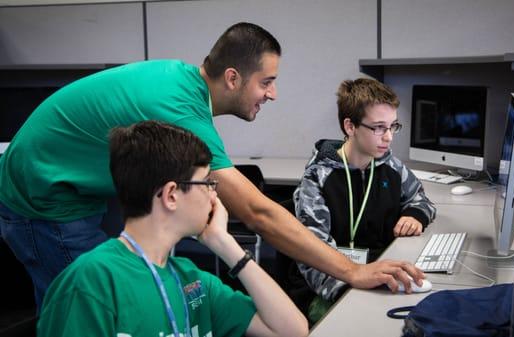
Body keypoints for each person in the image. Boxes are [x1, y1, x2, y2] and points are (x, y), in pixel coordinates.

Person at [0, 22, 420, 311]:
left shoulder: (185, 83)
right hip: (44, 194)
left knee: (128, 289)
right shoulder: (179, 106)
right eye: (267, 81)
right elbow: (256, 212)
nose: (273, 94)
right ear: (233, 78)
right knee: (96, 305)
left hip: (82, 184)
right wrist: (353, 271)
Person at [36, 121, 308, 337]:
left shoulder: (191, 279)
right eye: (207, 184)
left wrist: (226, 244)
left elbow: (292, 330)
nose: (215, 197)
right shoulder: (91, 282)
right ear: (171, 195)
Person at [290, 78, 437, 323]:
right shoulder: (317, 178)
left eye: (393, 126)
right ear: (350, 127)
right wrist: (359, 287)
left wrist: (415, 214)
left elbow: (422, 200)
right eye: (379, 127)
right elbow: (312, 255)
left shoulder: (389, 165)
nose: (389, 137)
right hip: (332, 288)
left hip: (379, 274)